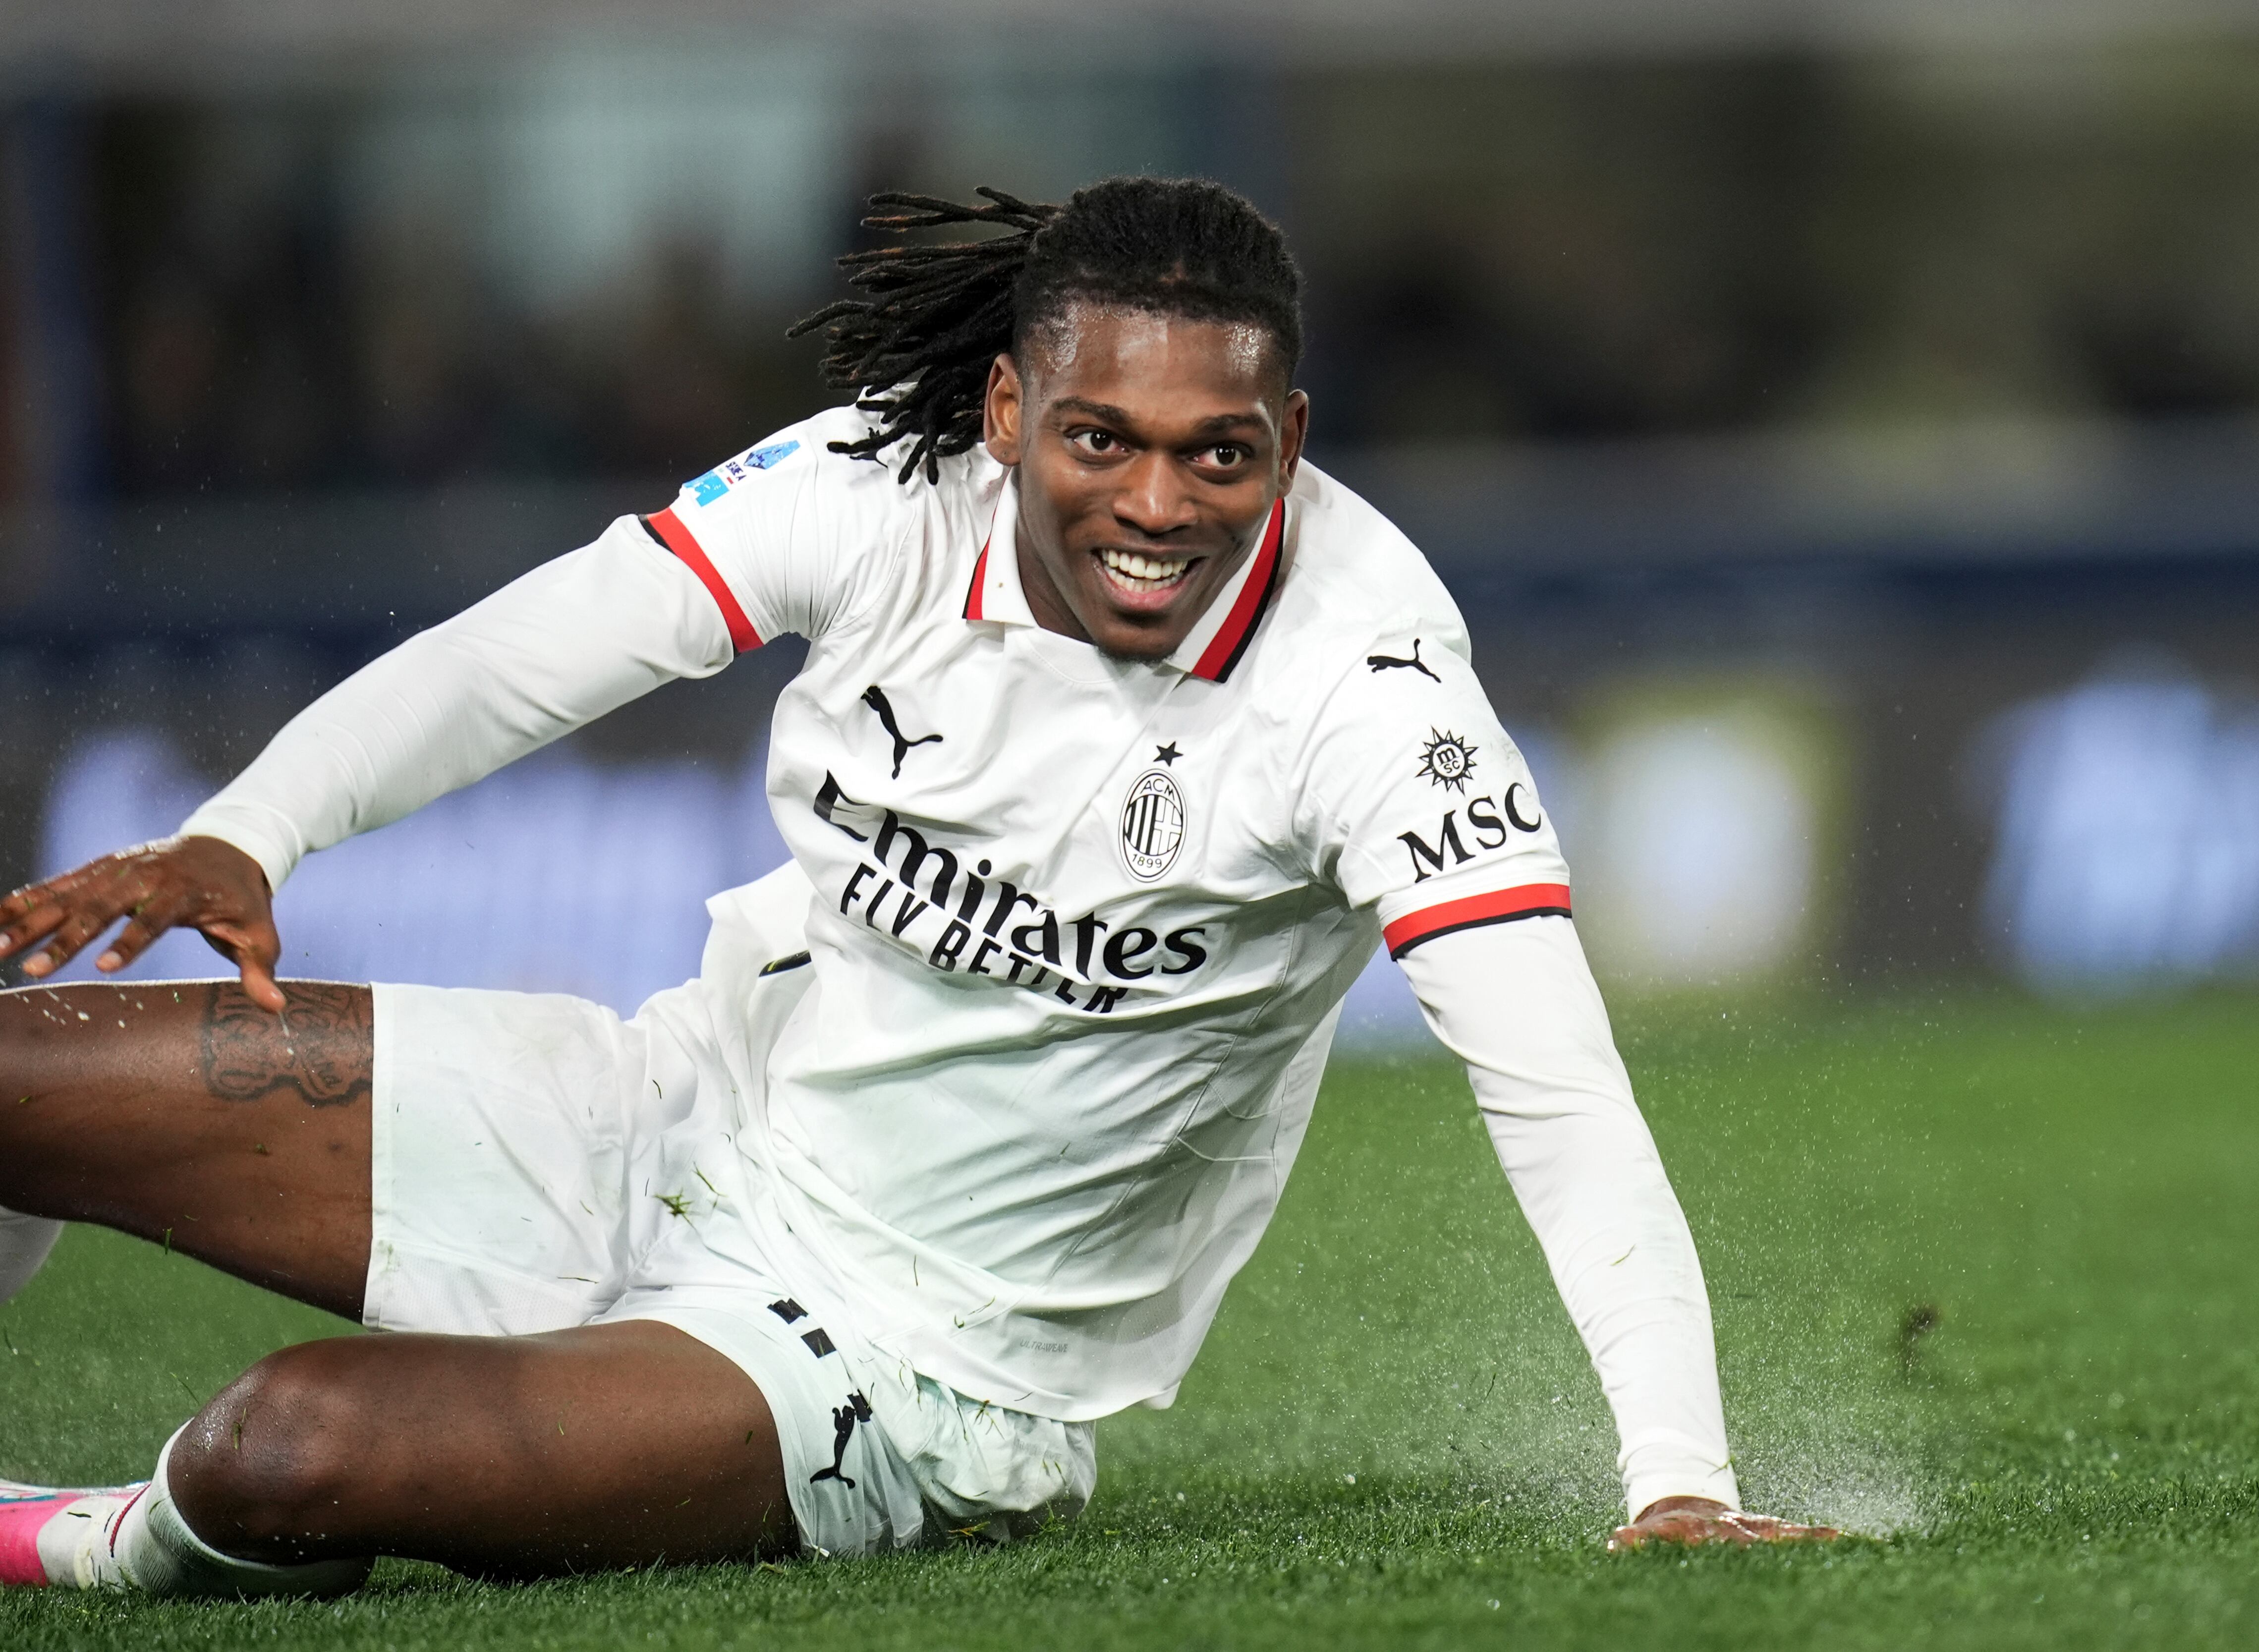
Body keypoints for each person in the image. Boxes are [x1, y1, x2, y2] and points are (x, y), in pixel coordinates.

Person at [0, 179, 1832, 1596]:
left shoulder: (1374, 687)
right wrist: (259, 824)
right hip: (665, 1111)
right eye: (1100, 438)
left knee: (277, 1455)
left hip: (911, 1361)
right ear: (1008, 405)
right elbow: (534, 649)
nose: (1161, 503)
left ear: (1292, 433)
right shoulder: (885, 483)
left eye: (1226, 453)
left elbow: (1558, 1088)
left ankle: (77, 1540)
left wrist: (1679, 1473)